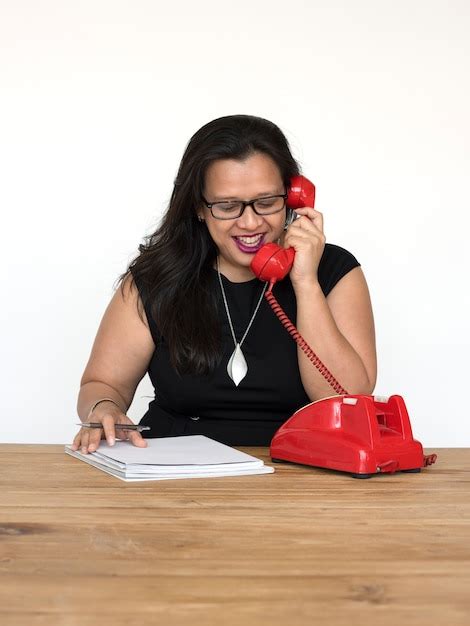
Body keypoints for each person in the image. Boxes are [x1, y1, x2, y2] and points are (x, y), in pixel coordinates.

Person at [72, 114, 377, 454]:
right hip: (170, 474)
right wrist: (104, 408)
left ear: (293, 199)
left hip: (300, 475)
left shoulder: (335, 272)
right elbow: (102, 383)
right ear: (198, 208)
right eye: (227, 206)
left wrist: (305, 282)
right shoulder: (156, 278)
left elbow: (346, 400)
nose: (249, 222)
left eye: (266, 202)